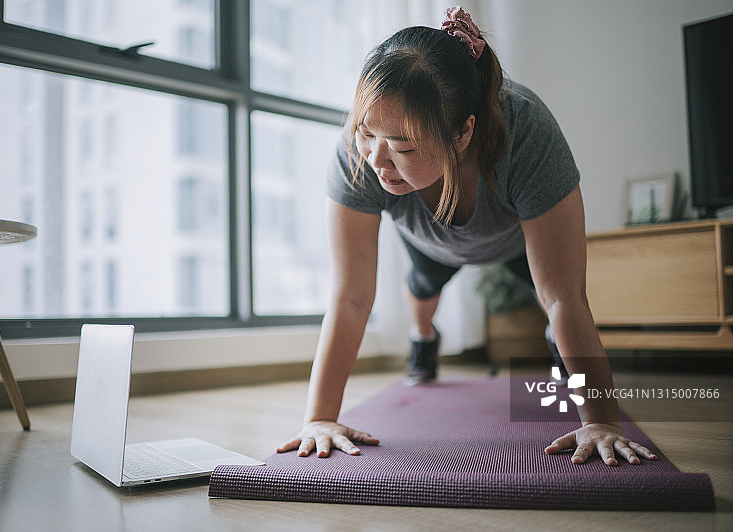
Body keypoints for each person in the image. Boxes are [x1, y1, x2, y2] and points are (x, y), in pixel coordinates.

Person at [276, 6, 657, 467]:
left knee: (553, 305)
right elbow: (351, 297)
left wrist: (601, 421)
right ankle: (423, 339)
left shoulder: (528, 135)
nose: (377, 160)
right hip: (427, 241)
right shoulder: (357, 154)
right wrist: (319, 417)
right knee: (422, 289)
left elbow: (566, 298)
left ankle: (557, 349)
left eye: (403, 147)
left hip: (514, 236)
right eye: (365, 133)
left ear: (462, 134)